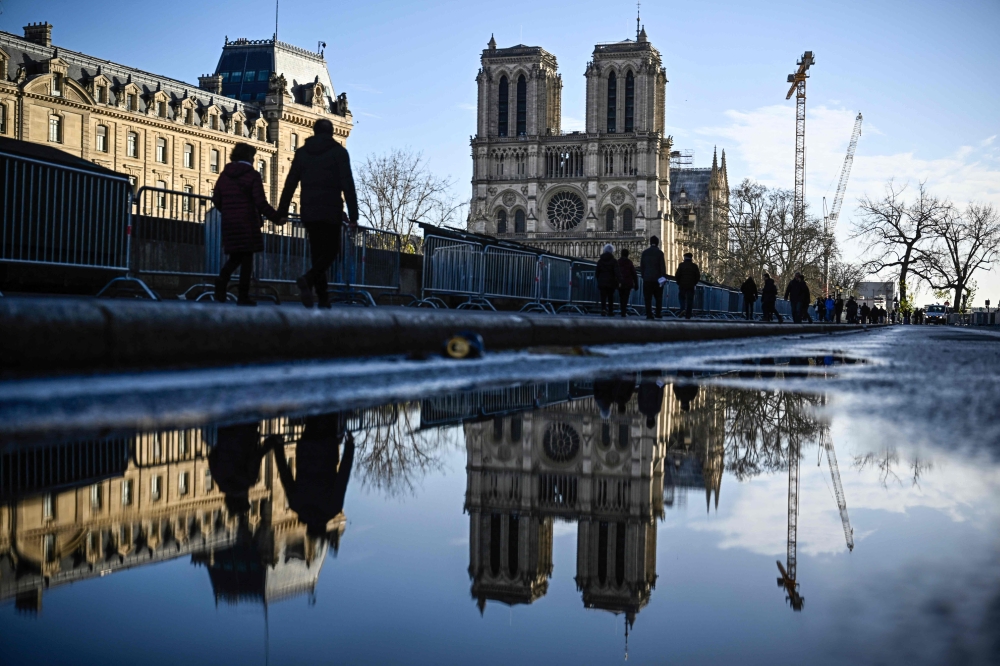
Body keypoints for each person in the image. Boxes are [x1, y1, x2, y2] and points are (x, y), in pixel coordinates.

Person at [276, 119, 359, 308]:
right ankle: (309, 279)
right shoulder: (339, 153)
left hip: (309, 209)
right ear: (331, 133)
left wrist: (282, 211)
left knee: (316, 252)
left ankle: (322, 298)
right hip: (330, 209)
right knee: (331, 251)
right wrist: (353, 216)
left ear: (314, 132)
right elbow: (348, 185)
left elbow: (290, 183)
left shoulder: (302, 153)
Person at [212, 142, 282, 306]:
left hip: (229, 222)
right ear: (250, 157)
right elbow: (260, 202)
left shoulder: (224, 175)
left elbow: (216, 199)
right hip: (247, 222)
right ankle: (243, 296)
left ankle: (221, 282)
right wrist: (276, 218)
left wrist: (228, 211)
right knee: (246, 260)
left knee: (235, 257)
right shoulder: (252, 175)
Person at [272, 412, 355, 539]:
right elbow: (285, 474)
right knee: (312, 417)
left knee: (328, 413)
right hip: (306, 450)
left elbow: (343, 476)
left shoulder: (333, 508)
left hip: (327, 450)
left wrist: (350, 448)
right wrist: (278, 448)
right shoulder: (297, 505)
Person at [639, 236, 667, 320]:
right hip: (657, 279)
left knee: (648, 298)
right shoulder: (659, 253)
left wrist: (644, 276)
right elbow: (662, 266)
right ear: (657, 243)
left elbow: (642, 266)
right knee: (658, 297)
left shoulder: (645, 252)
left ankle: (649, 314)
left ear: (650, 242)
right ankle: (658, 313)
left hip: (647, 279)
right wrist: (663, 277)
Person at [595, 243, 622, 317]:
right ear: (612, 251)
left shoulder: (600, 260)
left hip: (602, 281)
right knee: (610, 296)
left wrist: (598, 278)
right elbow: (617, 271)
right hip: (611, 281)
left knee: (603, 296)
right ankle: (610, 311)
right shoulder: (614, 261)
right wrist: (620, 280)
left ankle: (603, 309)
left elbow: (597, 271)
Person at [675, 252, 701, 320]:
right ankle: (688, 315)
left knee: (681, 297)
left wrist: (678, 282)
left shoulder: (681, 265)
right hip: (691, 285)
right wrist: (694, 283)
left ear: (684, 258)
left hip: (682, 285)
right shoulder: (694, 266)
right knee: (690, 300)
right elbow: (697, 276)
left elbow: (677, 275)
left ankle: (682, 308)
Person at [617, 248, 639, 318]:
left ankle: (622, 310)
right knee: (625, 297)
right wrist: (636, 284)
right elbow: (634, 273)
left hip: (620, 283)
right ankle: (623, 311)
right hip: (628, 283)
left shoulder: (618, 262)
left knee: (621, 297)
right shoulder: (629, 262)